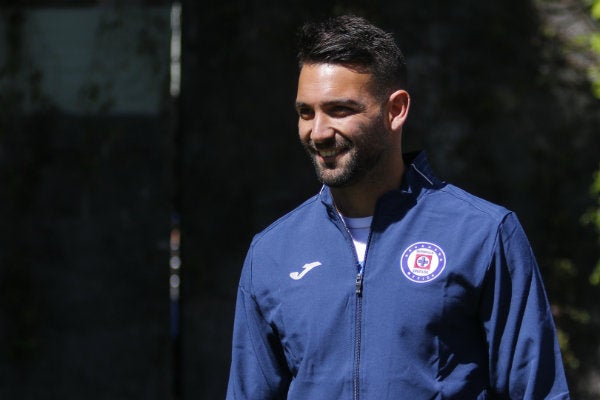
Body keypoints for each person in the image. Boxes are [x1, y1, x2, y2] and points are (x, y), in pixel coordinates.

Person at [226, 14, 570, 399]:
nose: (318, 132)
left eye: (339, 110)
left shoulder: (484, 233)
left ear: (396, 110)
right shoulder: (272, 252)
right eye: (306, 112)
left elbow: (538, 391)